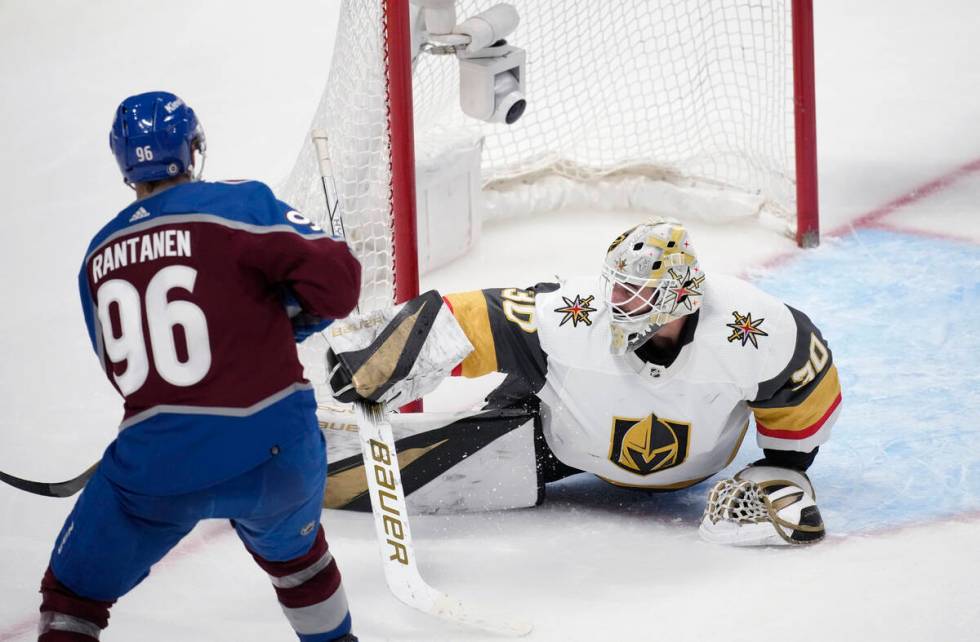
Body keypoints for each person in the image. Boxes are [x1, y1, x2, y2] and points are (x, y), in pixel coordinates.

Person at [38, 91, 362, 641]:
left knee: (72, 598)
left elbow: (124, 369)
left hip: (157, 466)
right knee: (300, 562)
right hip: (275, 451)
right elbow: (340, 285)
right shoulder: (237, 205)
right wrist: (286, 318)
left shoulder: (98, 254)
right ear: (193, 149)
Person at [326, 218, 841, 546]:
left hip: (694, 471)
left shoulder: (756, 329)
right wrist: (377, 358)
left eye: (635, 293)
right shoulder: (572, 314)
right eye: (615, 286)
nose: (617, 301)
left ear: (677, 300)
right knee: (435, 460)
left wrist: (784, 465)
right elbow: (472, 319)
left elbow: (806, 385)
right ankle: (295, 470)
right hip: (561, 447)